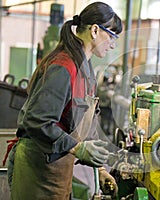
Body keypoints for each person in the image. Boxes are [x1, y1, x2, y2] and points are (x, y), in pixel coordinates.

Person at [7, 2, 122, 199]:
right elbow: (38, 121)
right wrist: (77, 147)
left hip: (58, 167)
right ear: (95, 30)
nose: (113, 44)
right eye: (112, 36)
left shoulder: (86, 69)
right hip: (37, 168)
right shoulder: (63, 66)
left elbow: (85, 121)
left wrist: (100, 168)